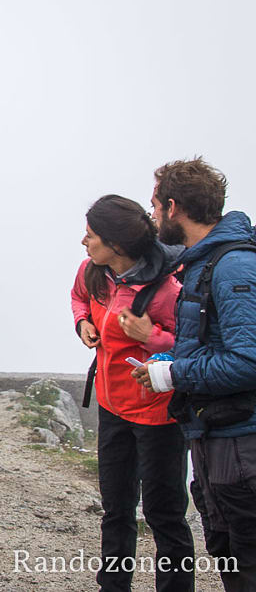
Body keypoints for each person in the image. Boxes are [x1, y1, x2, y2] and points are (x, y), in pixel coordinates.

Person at [133, 158, 256, 591]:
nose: (152, 216)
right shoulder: (203, 263)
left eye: (154, 206)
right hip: (215, 439)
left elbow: (249, 361)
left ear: (173, 207)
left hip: (241, 445)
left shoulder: (232, 266)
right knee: (230, 557)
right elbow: (215, 346)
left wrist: (174, 374)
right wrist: (170, 364)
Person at [71, 194, 193, 591]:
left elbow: (192, 346)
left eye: (91, 235)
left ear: (117, 245)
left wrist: (151, 336)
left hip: (158, 415)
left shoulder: (167, 290)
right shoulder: (92, 271)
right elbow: (78, 298)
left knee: (164, 515)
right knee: (116, 510)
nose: (83, 241)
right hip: (111, 407)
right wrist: (83, 322)